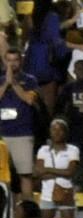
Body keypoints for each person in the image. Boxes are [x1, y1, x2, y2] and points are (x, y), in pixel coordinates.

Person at [0, 47, 40, 200]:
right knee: (2, 176)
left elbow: (29, 99)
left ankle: (28, 211)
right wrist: (6, 84)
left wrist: (14, 83)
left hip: (22, 133)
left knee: (25, 174)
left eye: (15, 60)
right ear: (4, 61)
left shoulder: (30, 80)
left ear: (21, 60)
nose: (12, 64)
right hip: (1, 135)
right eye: (8, 60)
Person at [34, 118, 80, 218]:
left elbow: (70, 172)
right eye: (54, 129)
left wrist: (48, 169)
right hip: (47, 195)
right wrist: (60, 172)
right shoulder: (42, 150)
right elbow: (39, 173)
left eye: (60, 130)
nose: (57, 132)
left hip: (66, 193)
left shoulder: (73, 150)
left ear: (66, 132)